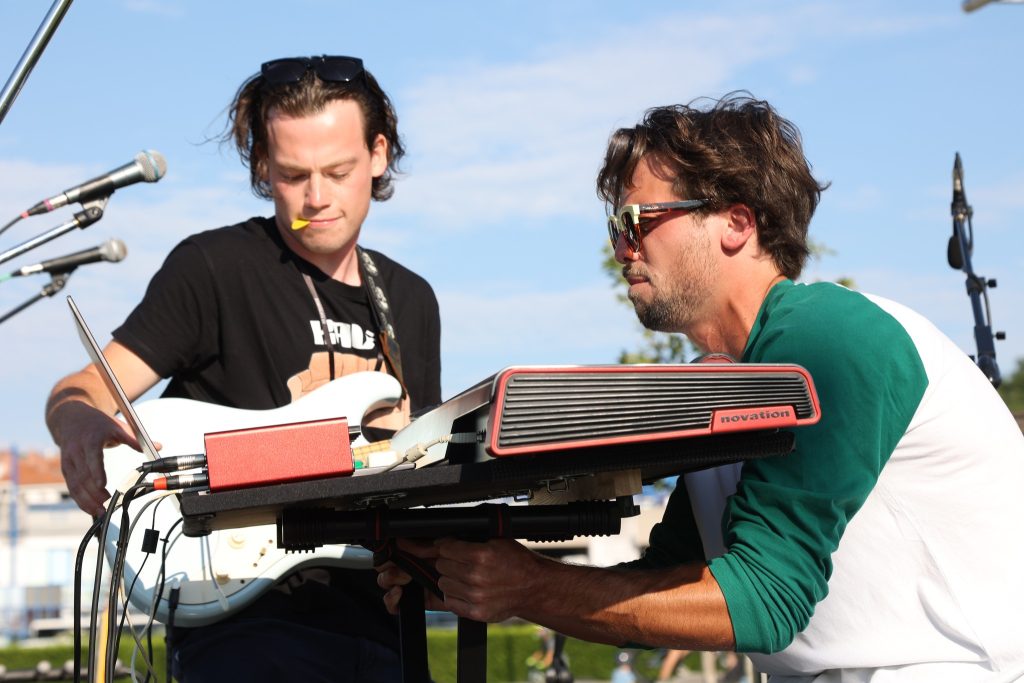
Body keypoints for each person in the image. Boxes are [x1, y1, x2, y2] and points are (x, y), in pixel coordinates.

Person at [377, 93, 1024, 681]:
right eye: (615, 229)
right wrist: (474, 580)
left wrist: (529, 586)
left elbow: (765, 599)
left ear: (736, 223)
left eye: (637, 220)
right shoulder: (721, 388)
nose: (622, 248)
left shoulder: (830, 338)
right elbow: (667, 589)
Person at [45, 55, 441, 682]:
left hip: (384, 625)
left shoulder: (410, 299)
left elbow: (421, 466)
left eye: (338, 171)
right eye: (292, 175)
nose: (318, 197)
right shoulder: (213, 269)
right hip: (245, 625)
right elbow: (85, 387)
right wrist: (78, 426)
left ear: (378, 155)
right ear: (261, 165)